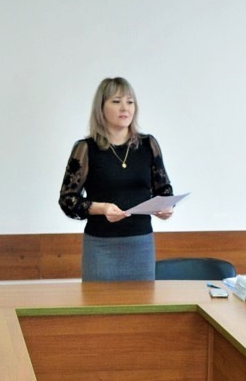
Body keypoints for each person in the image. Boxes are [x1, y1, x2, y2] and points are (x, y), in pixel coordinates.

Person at [58, 76, 175, 281]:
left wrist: (166, 208)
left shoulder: (148, 145)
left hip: (140, 244)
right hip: (101, 246)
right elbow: (68, 200)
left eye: (130, 102)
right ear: (101, 108)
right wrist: (101, 208)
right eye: (116, 101)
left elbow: (163, 189)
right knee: (98, 302)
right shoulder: (86, 148)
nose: (125, 108)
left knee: (143, 302)